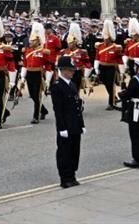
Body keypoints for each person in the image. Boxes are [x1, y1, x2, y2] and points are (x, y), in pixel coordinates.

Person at [50, 55, 85, 188]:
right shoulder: (57, 87)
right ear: (63, 70)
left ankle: (72, 174)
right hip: (66, 125)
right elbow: (58, 110)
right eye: (70, 70)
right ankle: (65, 178)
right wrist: (62, 128)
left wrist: (82, 124)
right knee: (65, 152)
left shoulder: (72, 84)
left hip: (75, 123)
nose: (72, 72)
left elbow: (77, 106)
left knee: (75, 151)